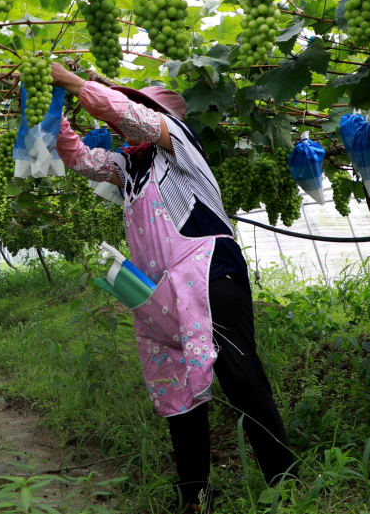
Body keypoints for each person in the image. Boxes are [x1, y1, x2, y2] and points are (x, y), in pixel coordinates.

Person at [50, 62, 296, 512]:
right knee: (176, 392)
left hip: (210, 273)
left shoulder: (179, 142)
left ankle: (288, 485)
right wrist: (49, 108)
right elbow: (78, 157)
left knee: (241, 378)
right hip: (158, 292)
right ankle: (194, 498)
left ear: (160, 116)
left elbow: (131, 117)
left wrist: (71, 80)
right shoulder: (130, 167)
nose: (131, 118)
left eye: (142, 107)